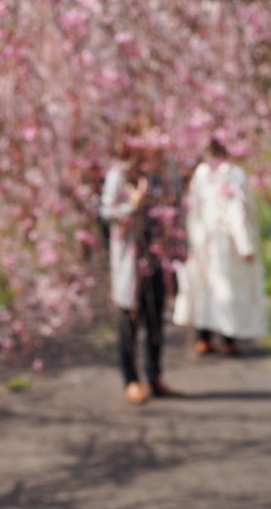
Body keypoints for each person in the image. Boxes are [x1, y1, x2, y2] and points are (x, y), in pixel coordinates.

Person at [100, 133, 184, 405]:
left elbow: (178, 207)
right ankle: (131, 380)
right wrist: (132, 205)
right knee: (129, 317)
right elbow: (106, 212)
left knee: (156, 317)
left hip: (159, 255)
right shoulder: (120, 175)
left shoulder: (166, 172)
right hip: (131, 258)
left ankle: (154, 376)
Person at [173, 136, 268, 355]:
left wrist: (192, 239)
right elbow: (237, 213)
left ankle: (203, 336)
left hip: (204, 240)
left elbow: (193, 210)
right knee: (228, 289)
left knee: (206, 287)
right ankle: (227, 338)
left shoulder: (202, 172)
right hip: (226, 243)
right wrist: (245, 245)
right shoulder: (232, 173)